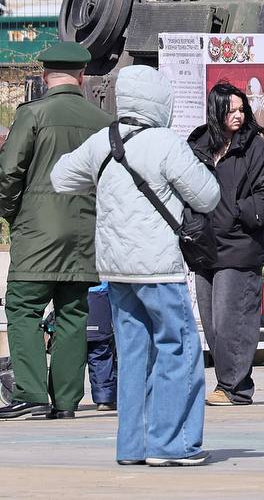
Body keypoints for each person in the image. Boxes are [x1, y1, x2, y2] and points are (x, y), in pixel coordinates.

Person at [51, 65, 220, 466]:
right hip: (158, 269)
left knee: (132, 354)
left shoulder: (103, 142)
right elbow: (208, 196)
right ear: (162, 101)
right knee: (179, 349)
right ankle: (171, 445)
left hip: (116, 270)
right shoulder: (166, 143)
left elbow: (60, 178)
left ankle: (133, 445)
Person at [0, 41, 112, 420]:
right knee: (73, 312)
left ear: (45, 75)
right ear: (82, 76)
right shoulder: (102, 121)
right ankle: (65, 401)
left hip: (37, 229)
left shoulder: (32, 114)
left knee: (23, 306)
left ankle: (30, 390)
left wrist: (12, 214)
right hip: (84, 231)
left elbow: (8, 172)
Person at [188, 82, 264, 405]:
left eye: (242, 109)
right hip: (204, 246)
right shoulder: (198, 145)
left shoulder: (256, 148)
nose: (239, 115)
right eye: (231, 110)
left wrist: (240, 213)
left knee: (234, 319)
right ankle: (227, 381)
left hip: (240, 246)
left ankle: (235, 387)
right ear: (216, 111)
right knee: (213, 323)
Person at [85, 282, 117, 410]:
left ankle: (64, 402)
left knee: (72, 354)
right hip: (101, 293)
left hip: (73, 293)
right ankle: (104, 398)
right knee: (99, 349)